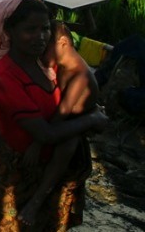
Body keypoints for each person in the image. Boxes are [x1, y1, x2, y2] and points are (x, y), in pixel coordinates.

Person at [0, 0, 107, 230]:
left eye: (44, 29)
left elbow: (72, 108)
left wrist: (90, 115)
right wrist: (91, 119)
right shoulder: (4, 76)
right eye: (30, 29)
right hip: (21, 172)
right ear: (10, 31)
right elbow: (45, 133)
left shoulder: (47, 65)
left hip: (55, 172)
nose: (40, 36)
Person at [17, 21, 100, 225]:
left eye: (46, 46)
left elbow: (61, 114)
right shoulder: (64, 67)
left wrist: (37, 143)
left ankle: (35, 203)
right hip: (60, 127)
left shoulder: (79, 75)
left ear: (62, 43)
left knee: (66, 147)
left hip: (69, 135)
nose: (42, 51)